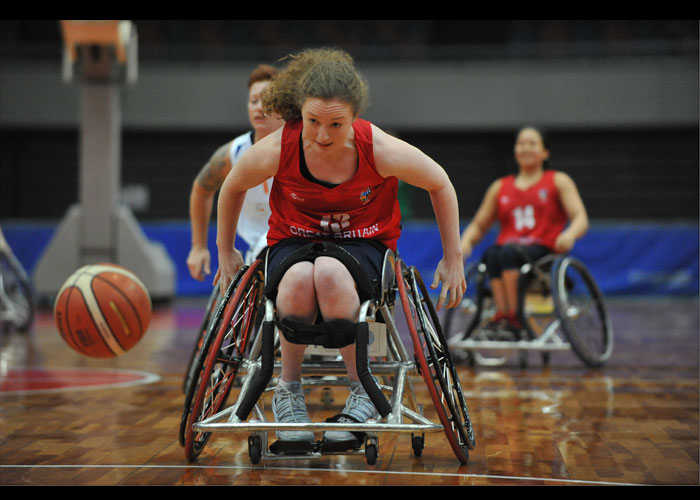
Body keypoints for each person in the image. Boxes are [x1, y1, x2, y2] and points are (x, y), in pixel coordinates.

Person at [215, 48, 465, 448]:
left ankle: (361, 388)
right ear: (301, 113)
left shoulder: (378, 148)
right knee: (297, 280)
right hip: (294, 239)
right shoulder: (283, 146)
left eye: (336, 123)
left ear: (355, 117)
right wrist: (224, 248)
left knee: (330, 274)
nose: (323, 134)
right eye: (313, 121)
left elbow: (440, 183)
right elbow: (232, 187)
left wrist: (453, 259)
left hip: (363, 242)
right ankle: (288, 391)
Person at [460, 126, 589, 338]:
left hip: (542, 254)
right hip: (507, 252)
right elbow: (479, 225)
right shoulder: (500, 187)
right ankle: (503, 314)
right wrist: (465, 241)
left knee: (507, 253)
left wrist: (570, 234)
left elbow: (580, 217)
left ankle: (514, 316)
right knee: (491, 254)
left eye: (531, 143)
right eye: (520, 143)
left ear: (545, 152)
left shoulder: (558, 181)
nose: (525, 148)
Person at [186, 64, 284, 282]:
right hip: (258, 250)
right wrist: (198, 247)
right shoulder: (234, 152)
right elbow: (201, 190)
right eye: (253, 100)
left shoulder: (302, 146)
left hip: (292, 242)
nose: (259, 107)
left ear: (285, 105)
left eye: (267, 100)